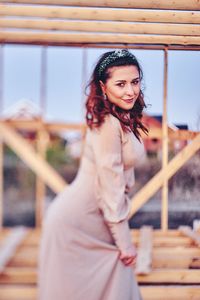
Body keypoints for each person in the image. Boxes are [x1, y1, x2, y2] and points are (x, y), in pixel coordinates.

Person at [38, 49, 148, 300]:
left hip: (99, 221)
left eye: (135, 82)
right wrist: (125, 242)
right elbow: (111, 187)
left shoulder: (123, 117)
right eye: (120, 84)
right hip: (76, 224)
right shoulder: (107, 124)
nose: (130, 91)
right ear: (103, 86)